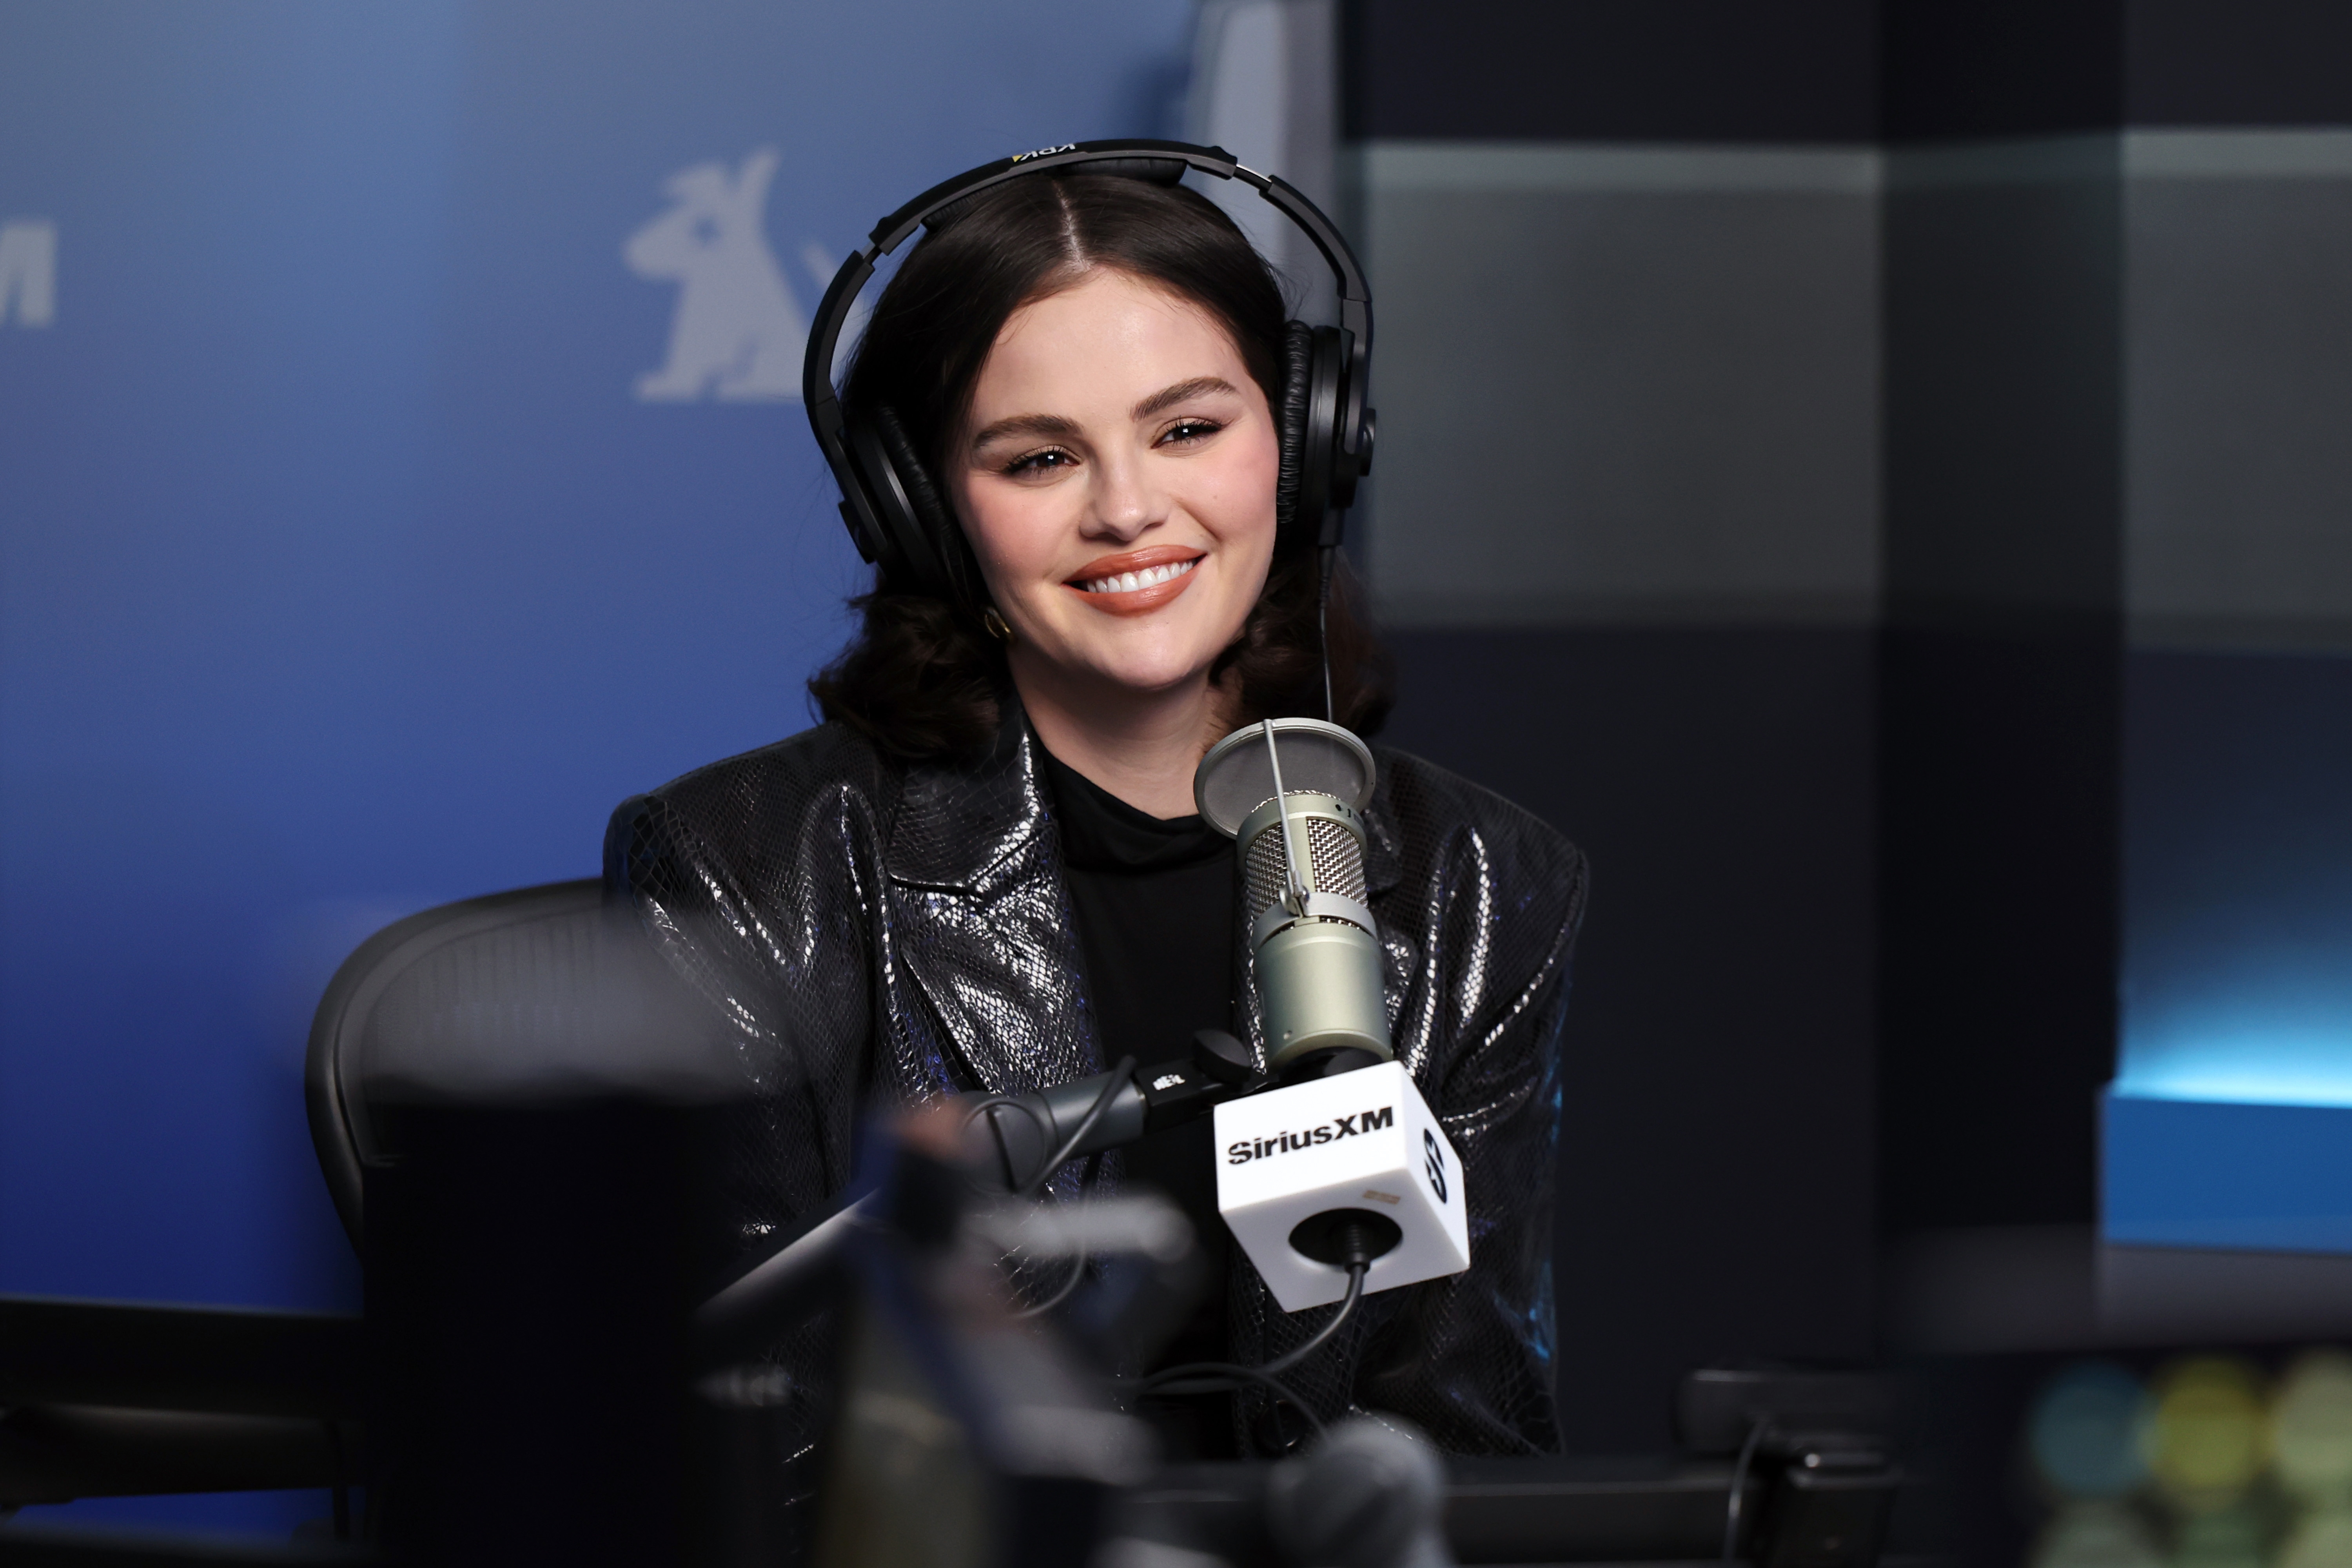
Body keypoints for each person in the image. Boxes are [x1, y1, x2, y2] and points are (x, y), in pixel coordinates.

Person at [604, 163, 1586, 1479]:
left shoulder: (1480, 884)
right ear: (928, 510)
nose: (1126, 508)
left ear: (1305, 445)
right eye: (1042, 457)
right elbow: (731, 1453)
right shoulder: (747, 869)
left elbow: (1462, 1443)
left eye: (1188, 430)